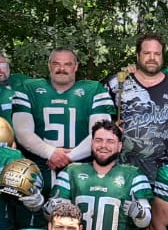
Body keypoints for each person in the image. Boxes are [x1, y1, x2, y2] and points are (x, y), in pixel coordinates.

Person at [48, 119, 154, 230]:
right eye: (98, 140)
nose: (103, 145)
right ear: (91, 143)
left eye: (110, 141)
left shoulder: (133, 174)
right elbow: (53, 218)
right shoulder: (72, 171)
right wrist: (49, 208)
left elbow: (145, 222)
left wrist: (139, 213)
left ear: (120, 146)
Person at [12, 47, 114, 183]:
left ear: (76, 66)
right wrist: (50, 153)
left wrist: (70, 157)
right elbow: (22, 132)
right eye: (56, 64)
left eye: (68, 64)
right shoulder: (29, 88)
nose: (62, 68)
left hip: (81, 168)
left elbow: (100, 134)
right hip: (38, 168)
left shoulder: (93, 89)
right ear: (49, 65)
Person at [108, 33, 168, 182]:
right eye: (147, 53)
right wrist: (111, 127)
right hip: (121, 172)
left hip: (166, 174)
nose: (152, 58)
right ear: (137, 55)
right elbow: (100, 124)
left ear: (162, 56)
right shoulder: (118, 83)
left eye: (157, 54)